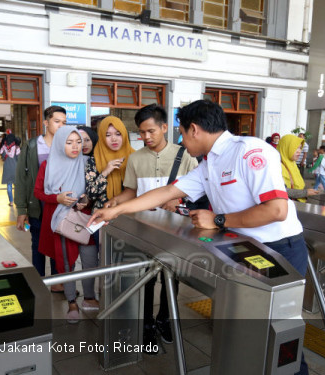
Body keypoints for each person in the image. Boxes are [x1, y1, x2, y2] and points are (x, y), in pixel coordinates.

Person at [88, 100, 309, 374]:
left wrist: (218, 220)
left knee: (278, 332)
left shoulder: (251, 151)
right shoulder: (209, 164)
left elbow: (277, 209)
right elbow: (168, 192)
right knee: (248, 330)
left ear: (194, 129)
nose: (180, 139)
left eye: (181, 132)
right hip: (243, 248)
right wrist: (117, 210)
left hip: (279, 249)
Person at [104, 104, 198, 352]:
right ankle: (145, 325)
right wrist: (116, 202)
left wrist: (178, 200)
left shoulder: (185, 155)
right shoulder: (136, 158)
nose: (145, 137)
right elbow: (131, 192)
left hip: (176, 230)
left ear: (164, 127)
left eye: (150, 131)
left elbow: (197, 192)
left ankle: (165, 321)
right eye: (141, 132)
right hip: (143, 229)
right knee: (144, 278)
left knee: (172, 278)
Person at [33, 126, 88, 323]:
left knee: (90, 260)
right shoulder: (48, 165)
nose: (75, 146)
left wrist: (85, 200)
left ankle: (89, 297)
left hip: (83, 218)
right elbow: (38, 192)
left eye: (79, 142)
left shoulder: (86, 163)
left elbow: (94, 188)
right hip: (58, 220)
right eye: (69, 142)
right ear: (59, 144)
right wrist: (56, 197)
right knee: (65, 261)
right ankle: (72, 302)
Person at [15, 105, 67, 291]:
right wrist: (21, 210)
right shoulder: (31, 146)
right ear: (46, 123)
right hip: (38, 205)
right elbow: (21, 179)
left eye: (64, 122)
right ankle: (38, 283)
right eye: (57, 121)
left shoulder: (68, 145)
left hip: (59, 207)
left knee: (57, 245)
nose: (61, 126)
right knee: (38, 245)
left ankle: (56, 283)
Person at [74, 124, 118, 311]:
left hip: (116, 219)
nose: (83, 144)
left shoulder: (125, 158)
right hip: (91, 218)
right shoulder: (89, 162)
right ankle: (89, 297)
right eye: (79, 140)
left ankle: (106, 296)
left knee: (110, 261)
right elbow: (90, 191)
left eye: (87, 139)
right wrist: (106, 172)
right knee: (89, 259)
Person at [92, 116, 135, 208]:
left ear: (124, 134)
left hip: (131, 212)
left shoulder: (135, 157)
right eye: (108, 135)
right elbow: (91, 195)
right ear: (102, 137)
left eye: (118, 134)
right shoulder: (94, 160)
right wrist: (105, 172)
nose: (114, 139)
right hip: (102, 214)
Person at [276, 135, 318, 201]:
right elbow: (281, 190)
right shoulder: (277, 166)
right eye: (295, 148)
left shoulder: (292, 164)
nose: (299, 151)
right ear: (286, 148)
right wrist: (305, 193)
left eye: (300, 148)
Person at [0, 134, 20, 206]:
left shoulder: (3, 147)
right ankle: (18, 201)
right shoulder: (17, 148)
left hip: (7, 168)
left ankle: (11, 202)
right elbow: (19, 159)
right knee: (17, 185)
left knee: (9, 186)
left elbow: (2, 157)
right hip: (15, 168)